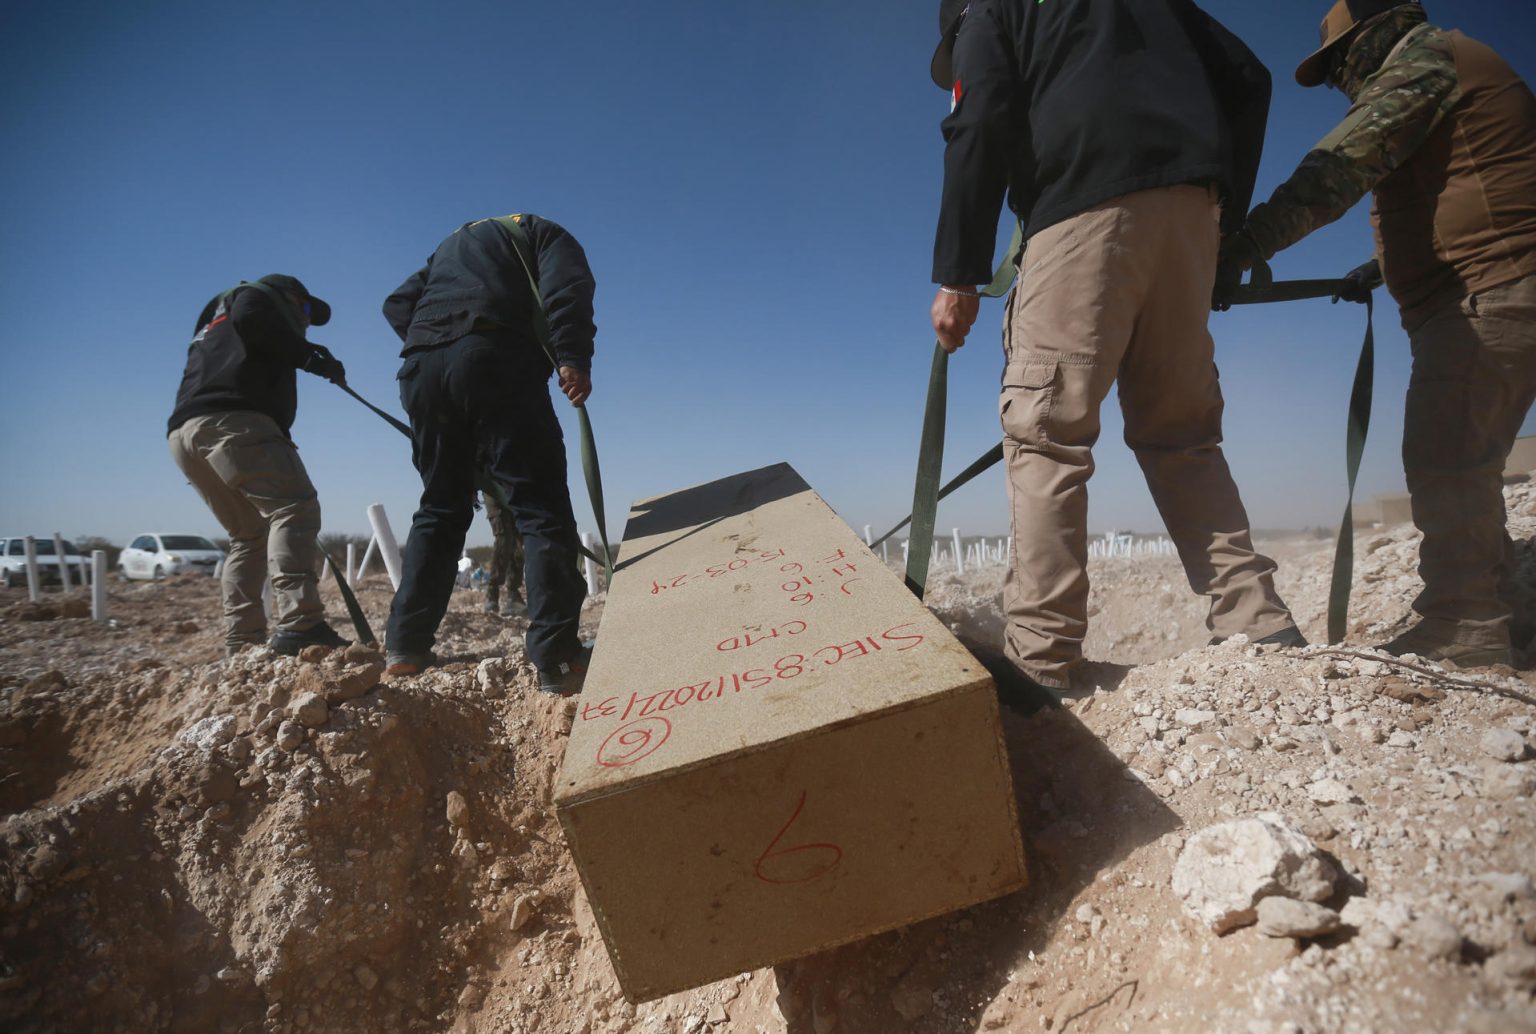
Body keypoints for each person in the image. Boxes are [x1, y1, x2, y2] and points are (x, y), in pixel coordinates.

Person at [929, 0, 1304, 698]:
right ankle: (1261, 624)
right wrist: (1219, 225)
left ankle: (1040, 667)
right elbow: (1250, 79)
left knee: (1048, 434)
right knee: (1183, 433)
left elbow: (979, 115)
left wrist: (959, 272)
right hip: (1194, 211)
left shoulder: (987, 7)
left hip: (1081, 209)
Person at [1219, 0, 1536, 667]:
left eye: (1340, 61)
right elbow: (1461, 185)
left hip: (1490, 287)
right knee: (1465, 463)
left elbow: (1340, 168)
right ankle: (1497, 609)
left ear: (1379, 30)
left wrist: (1237, 249)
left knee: (1446, 458)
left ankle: (1468, 627)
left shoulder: (1428, 57)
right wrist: (1378, 269)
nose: (1338, 78)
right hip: (1486, 287)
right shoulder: (1448, 65)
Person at [381, 214, 593, 691]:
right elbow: (567, 289)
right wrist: (572, 357)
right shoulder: (544, 234)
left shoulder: (449, 247)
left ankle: (405, 646)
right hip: (495, 359)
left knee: (440, 506)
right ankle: (558, 659)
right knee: (540, 509)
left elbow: (397, 304)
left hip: (420, 372)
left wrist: (436, 340)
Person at [167, 274, 351, 658]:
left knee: (248, 535)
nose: (304, 321)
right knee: (293, 508)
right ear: (280, 296)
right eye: (302, 309)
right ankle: (301, 624)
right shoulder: (252, 298)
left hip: (185, 434)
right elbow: (255, 316)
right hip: (234, 422)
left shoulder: (215, 322)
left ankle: (242, 642)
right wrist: (308, 355)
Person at [481, 488, 528, 617]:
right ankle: (492, 593)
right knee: (503, 538)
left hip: (512, 484)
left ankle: (513, 595)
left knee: (519, 541)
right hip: (490, 484)